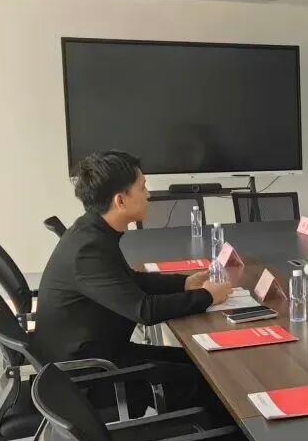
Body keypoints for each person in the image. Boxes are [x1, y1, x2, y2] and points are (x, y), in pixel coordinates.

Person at [36, 150, 233, 411]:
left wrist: (184, 284)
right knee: (208, 380)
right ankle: (208, 434)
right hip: (90, 376)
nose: (148, 195)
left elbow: (129, 281)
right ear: (120, 200)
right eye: (142, 188)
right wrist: (208, 296)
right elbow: (144, 311)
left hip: (103, 354)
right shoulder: (88, 251)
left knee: (203, 360)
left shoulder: (91, 232)